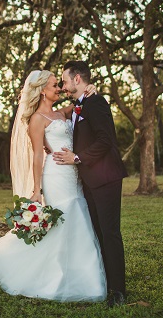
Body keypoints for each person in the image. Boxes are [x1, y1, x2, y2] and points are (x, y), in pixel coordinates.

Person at [0, 70, 107, 302]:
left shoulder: (62, 112)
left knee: (77, 219)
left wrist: (91, 91)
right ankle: (51, 276)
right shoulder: (36, 120)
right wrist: (36, 190)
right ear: (42, 90)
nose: (60, 88)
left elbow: (81, 102)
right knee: (63, 220)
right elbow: (37, 157)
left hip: (73, 174)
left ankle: (83, 276)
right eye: (54, 85)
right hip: (54, 175)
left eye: (59, 85)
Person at [53, 60, 128, 307]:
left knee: (110, 233)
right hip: (88, 180)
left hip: (105, 177)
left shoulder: (96, 102)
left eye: (64, 80)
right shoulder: (79, 104)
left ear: (77, 79)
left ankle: (118, 291)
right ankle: (106, 282)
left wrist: (77, 158)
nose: (63, 85)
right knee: (97, 232)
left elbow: (106, 140)